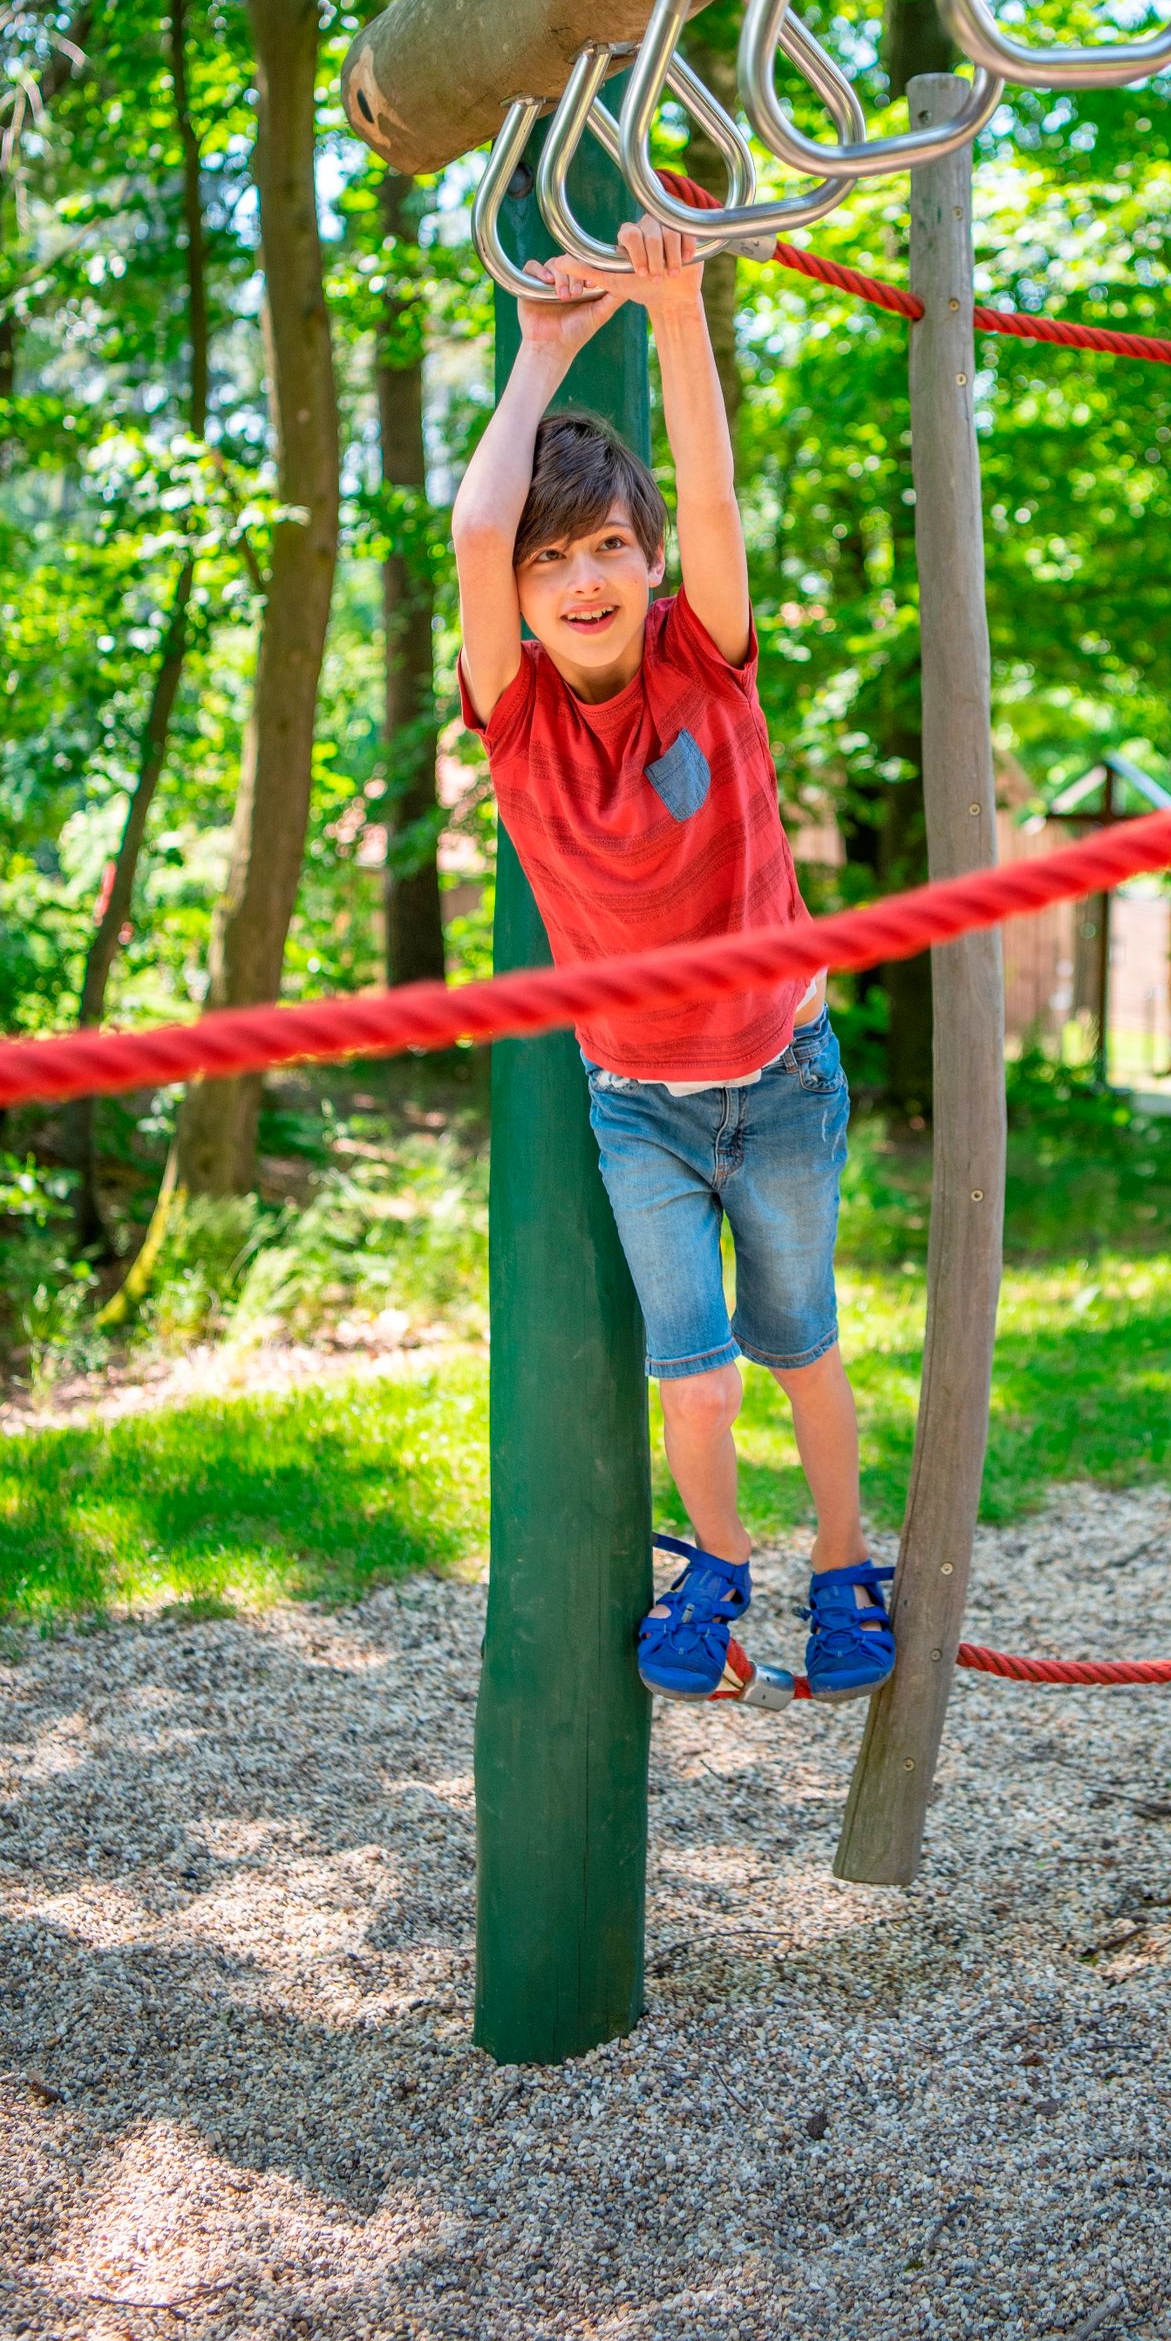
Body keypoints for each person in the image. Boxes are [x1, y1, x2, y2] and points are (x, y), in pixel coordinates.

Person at [451, 216, 894, 1704]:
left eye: (608, 550)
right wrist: (543, 352)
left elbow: (707, 481)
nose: (583, 577)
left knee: (799, 1342)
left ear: (650, 566)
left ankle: (846, 1561)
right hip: (637, 1099)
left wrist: (680, 309)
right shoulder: (513, 716)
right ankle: (716, 1571)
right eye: (553, 558)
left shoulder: (706, 655)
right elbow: (471, 531)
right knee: (689, 1373)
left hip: (780, 1078)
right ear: (517, 593)